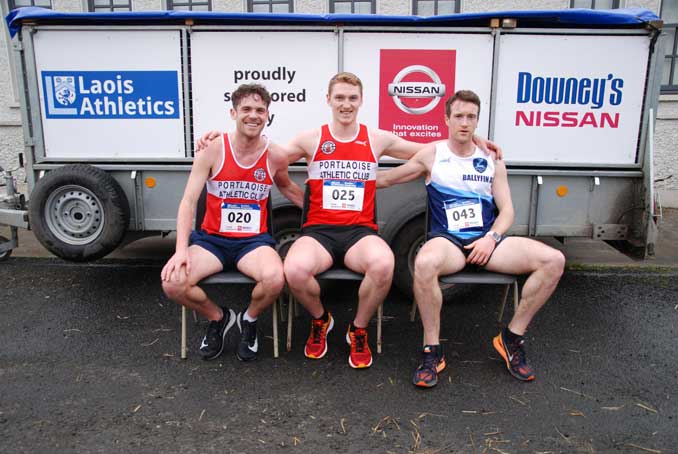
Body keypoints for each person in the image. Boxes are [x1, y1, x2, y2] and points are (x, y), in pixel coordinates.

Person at [281, 73, 500, 369]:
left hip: (360, 233)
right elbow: (270, 160)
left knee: (384, 264)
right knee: (294, 270)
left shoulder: (376, 139)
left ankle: (358, 329)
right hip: (318, 232)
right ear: (328, 100)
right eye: (340, 98)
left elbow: (431, 150)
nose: (346, 104)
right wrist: (298, 197)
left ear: (361, 100)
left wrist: (472, 139)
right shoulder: (310, 139)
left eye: (352, 98)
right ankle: (321, 320)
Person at [377, 90, 565, 386]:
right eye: (459, 116)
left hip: (487, 242)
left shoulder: (491, 159)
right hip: (448, 242)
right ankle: (431, 350)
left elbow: (507, 211)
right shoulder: (433, 154)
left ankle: (511, 338)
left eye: (471, 117)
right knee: (424, 263)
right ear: (447, 119)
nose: (464, 123)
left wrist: (491, 237)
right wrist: (336, 178)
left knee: (553, 260)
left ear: (477, 121)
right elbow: (388, 178)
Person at [161, 84, 303, 362]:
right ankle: (220, 318)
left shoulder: (275, 155)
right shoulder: (212, 149)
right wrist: (180, 250)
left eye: (260, 110)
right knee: (173, 283)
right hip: (212, 241)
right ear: (233, 113)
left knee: (275, 279)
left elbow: (287, 187)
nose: (253, 115)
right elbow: (188, 201)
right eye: (246, 109)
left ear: (267, 115)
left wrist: (320, 211)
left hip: (253, 243)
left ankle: (249, 319)